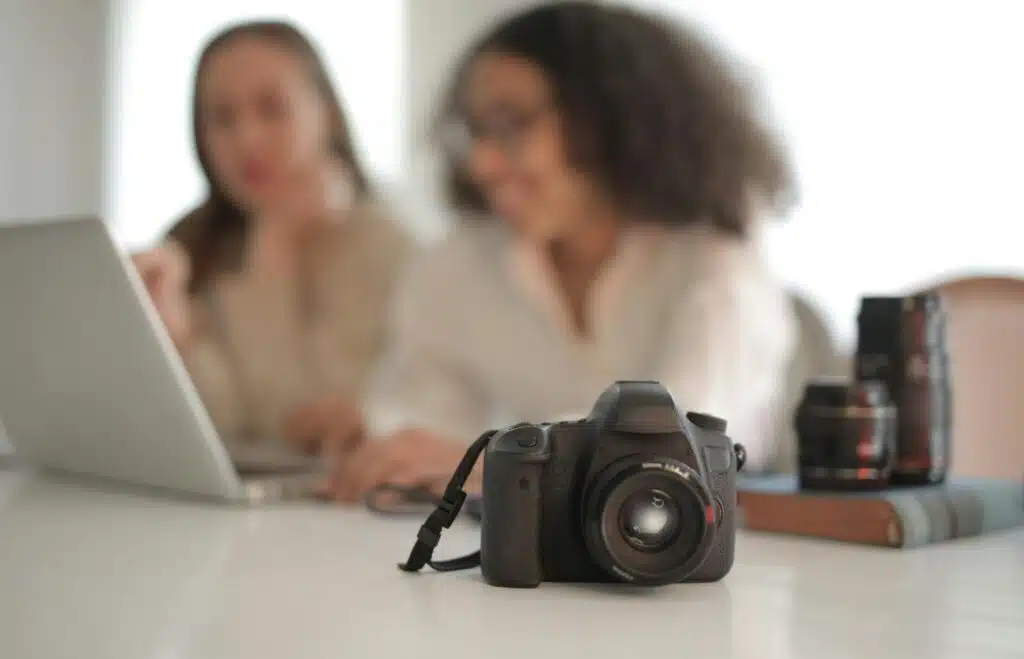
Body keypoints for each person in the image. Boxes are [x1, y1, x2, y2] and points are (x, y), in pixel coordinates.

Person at [328, 1, 798, 501]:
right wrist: (382, 444)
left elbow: (683, 449)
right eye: (475, 131)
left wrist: (489, 463)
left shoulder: (717, 270)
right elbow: (418, 419)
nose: (481, 163)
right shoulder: (458, 265)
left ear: (610, 119)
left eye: (511, 124)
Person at [133, 21, 414, 456]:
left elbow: (301, 424)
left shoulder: (384, 243)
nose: (248, 140)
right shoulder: (190, 245)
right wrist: (174, 339)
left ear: (327, 113)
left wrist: (275, 255)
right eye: (222, 118)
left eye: (272, 109)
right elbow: (224, 425)